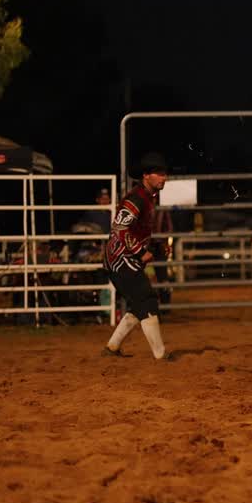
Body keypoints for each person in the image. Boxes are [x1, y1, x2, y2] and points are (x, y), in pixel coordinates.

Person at [102, 152, 171, 360]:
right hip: (120, 259)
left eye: (165, 173)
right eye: (159, 174)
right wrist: (141, 251)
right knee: (148, 300)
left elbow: (135, 230)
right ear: (146, 175)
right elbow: (120, 227)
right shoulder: (136, 198)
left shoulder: (148, 197)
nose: (164, 178)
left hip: (123, 258)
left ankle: (112, 347)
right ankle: (160, 355)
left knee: (139, 303)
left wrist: (155, 245)